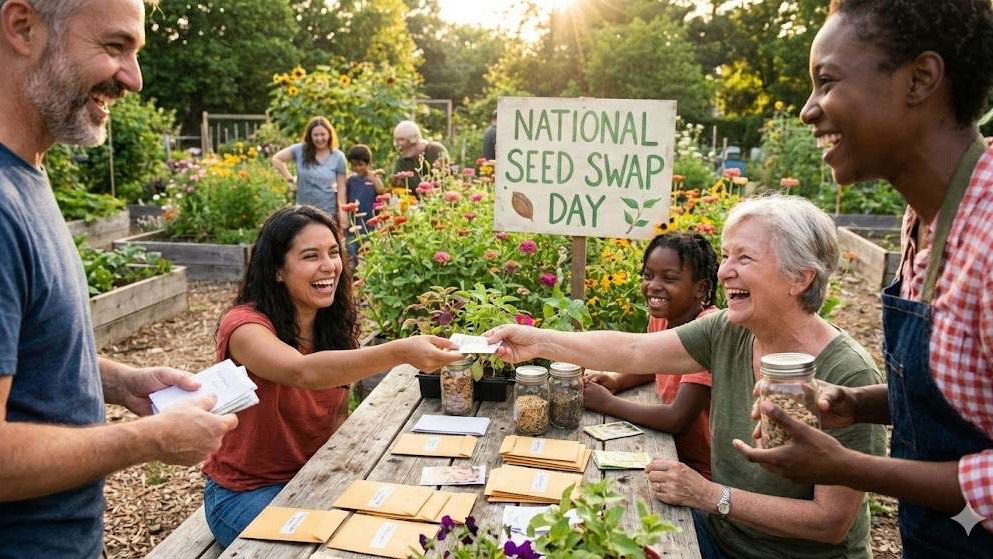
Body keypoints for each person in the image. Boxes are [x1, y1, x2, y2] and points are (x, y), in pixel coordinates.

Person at [487, 195, 886, 559]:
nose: (725, 271)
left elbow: (829, 522)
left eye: (744, 259)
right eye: (727, 256)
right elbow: (633, 351)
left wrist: (709, 494)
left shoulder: (846, 372)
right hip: (721, 535)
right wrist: (536, 341)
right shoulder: (729, 330)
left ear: (800, 277)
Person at [733, 1, 993, 556]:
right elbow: (971, 399)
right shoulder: (925, 219)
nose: (808, 110)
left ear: (919, 79)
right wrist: (859, 403)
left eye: (826, 81)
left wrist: (849, 466)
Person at [0, 1, 238, 556]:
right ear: (22, 27)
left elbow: (26, 352)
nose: (133, 78)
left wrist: (117, 381)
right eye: (114, 47)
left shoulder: (26, 175)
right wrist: (147, 440)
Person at [202, 205, 461, 548]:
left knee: (413, 530)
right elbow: (302, 372)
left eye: (334, 252)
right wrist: (400, 352)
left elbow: (336, 415)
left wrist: (360, 475)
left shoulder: (331, 325)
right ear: (277, 270)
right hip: (244, 493)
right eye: (311, 256)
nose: (329, 266)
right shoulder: (244, 327)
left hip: (313, 478)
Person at [583, 232, 719, 480]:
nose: (653, 285)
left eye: (669, 278)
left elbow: (678, 418)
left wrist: (607, 403)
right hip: (670, 451)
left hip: (700, 473)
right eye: (648, 275)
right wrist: (617, 381)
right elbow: (652, 364)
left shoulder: (709, 332)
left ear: (701, 288)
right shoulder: (663, 319)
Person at [272, 116, 348, 225]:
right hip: (303, 211)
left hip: (327, 211)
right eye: (315, 135)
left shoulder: (338, 157)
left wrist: (343, 212)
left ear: (329, 134)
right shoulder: (300, 150)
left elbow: (342, 188)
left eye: (323, 134)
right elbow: (276, 159)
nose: (319, 138)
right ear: (310, 136)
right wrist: (289, 178)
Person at [343, 144, 386, 267]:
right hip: (353, 223)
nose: (357, 168)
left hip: (369, 223)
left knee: (368, 252)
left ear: (369, 163)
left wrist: (373, 177)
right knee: (351, 252)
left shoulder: (372, 179)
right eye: (354, 165)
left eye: (360, 165)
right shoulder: (351, 180)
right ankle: (352, 277)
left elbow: (381, 190)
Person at [392, 120, 449, 194]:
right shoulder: (403, 160)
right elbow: (397, 186)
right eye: (397, 140)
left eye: (402, 139)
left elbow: (447, 179)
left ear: (415, 138)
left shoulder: (434, 150)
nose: (398, 145)